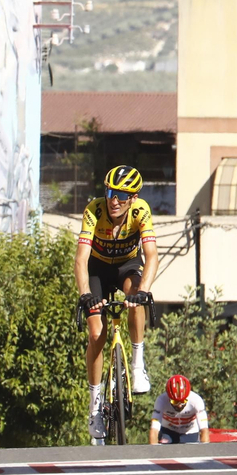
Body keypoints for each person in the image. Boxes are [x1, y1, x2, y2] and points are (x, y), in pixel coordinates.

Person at [76, 165, 160, 441]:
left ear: (133, 198)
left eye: (122, 195)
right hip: (97, 269)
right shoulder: (94, 210)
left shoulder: (141, 212)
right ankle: (95, 406)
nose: (114, 200)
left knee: (135, 298)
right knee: (96, 333)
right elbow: (80, 259)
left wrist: (143, 290)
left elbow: (151, 255)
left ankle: (137, 364)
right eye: (111, 192)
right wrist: (85, 293)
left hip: (127, 265)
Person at [150, 374, 210, 444]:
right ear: (168, 397)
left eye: (183, 401)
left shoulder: (196, 400)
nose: (179, 405)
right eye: (174, 402)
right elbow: (154, 430)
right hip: (168, 431)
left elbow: (204, 430)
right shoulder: (161, 400)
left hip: (190, 432)